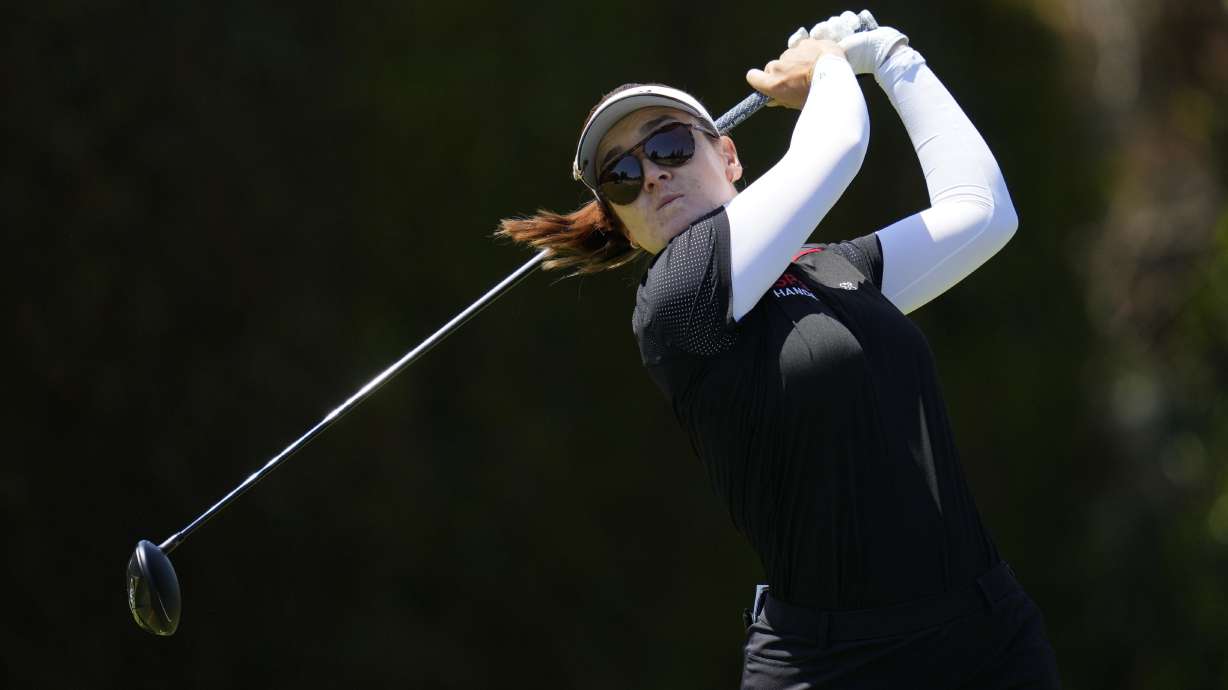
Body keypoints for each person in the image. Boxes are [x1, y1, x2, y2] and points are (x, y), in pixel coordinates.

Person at [498, 11, 1060, 689]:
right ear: (618, 216)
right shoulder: (677, 296)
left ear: (728, 155)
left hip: (987, 636)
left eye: (670, 145)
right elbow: (837, 146)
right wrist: (828, 63)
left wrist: (889, 56)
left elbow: (982, 211)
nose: (650, 175)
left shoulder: (832, 270)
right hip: (834, 665)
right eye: (621, 174)